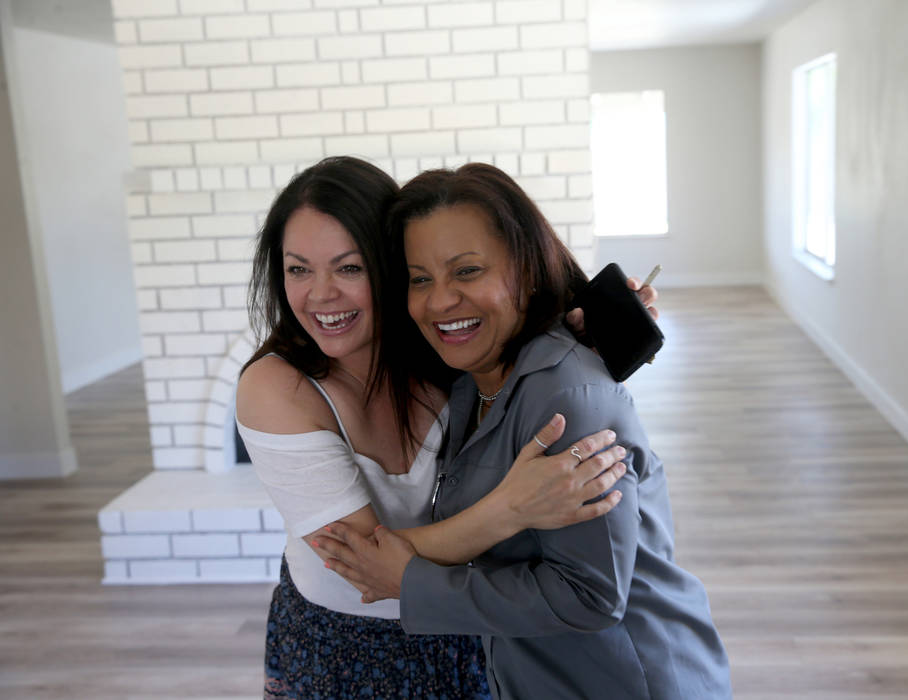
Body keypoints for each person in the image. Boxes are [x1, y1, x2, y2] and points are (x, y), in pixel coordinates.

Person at [235, 156, 655, 699]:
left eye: (349, 267)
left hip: (469, 626)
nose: (321, 295)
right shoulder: (275, 387)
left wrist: (595, 325)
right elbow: (362, 562)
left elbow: (520, 327)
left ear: (388, 269)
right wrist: (511, 507)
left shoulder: (441, 351)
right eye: (298, 269)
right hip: (342, 645)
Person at [316, 163, 733, 699]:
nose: (440, 300)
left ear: (527, 270)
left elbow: (590, 594)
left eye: (466, 271)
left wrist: (413, 583)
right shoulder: (473, 381)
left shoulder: (566, 401)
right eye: (420, 278)